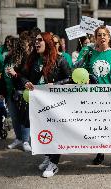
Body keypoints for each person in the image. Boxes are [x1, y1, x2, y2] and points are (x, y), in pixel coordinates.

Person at [22, 32, 71, 178]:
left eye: (39, 40)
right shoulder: (32, 59)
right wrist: (25, 82)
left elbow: (70, 78)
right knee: (41, 132)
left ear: (48, 43)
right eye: (35, 40)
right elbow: (22, 75)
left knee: (55, 132)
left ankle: (53, 164)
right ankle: (49, 157)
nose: (36, 43)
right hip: (38, 104)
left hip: (56, 104)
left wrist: (55, 84)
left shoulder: (60, 60)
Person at [78, 26, 111, 167]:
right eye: (99, 35)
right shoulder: (90, 54)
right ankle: (100, 153)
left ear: (109, 38)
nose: (102, 37)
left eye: (104, 35)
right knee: (98, 127)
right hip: (94, 98)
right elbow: (84, 72)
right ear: (95, 38)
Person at [0, 36, 32, 152]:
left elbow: (26, 76)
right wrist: (2, 92)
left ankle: (26, 141)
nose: (8, 47)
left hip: (22, 93)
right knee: (14, 118)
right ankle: (18, 139)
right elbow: (3, 77)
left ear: (16, 47)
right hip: (10, 94)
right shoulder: (7, 58)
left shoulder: (25, 59)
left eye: (10, 45)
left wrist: (15, 73)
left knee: (25, 118)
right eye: (7, 45)